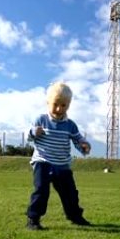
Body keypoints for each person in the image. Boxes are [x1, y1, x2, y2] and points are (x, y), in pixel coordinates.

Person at [25, 82, 92, 230]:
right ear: (48, 102)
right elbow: (28, 138)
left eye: (64, 105)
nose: (59, 109)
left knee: (70, 193)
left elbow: (77, 140)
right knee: (41, 190)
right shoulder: (40, 120)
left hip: (62, 165)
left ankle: (75, 216)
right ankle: (33, 219)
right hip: (42, 162)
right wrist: (33, 132)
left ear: (68, 105)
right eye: (55, 104)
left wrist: (84, 146)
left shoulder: (70, 125)